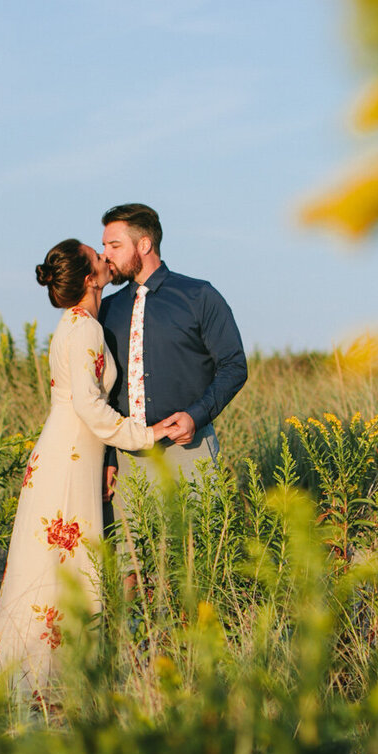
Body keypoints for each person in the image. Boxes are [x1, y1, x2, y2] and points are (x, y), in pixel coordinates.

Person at [0, 237, 173, 689]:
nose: (108, 259)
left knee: (50, 561)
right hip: (70, 455)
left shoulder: (75, 323)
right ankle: (52, 679)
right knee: (63, 562)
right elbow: (90, 407)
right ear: (91, 278)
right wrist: (147, 434)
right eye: (99, 256)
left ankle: (42, 675)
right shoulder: (85, 329)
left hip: (70, 451)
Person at [98, 203, 248, 536]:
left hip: (187, 451)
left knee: (193, 558)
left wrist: (196, 415)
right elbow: (103, 391)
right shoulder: (108, 309)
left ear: (144, 245)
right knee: (128, 565)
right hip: (126, 458)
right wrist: (108, 456)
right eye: (105, 245)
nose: (104, 254)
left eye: (114, 245)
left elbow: (234, 365)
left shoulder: (199, 296)